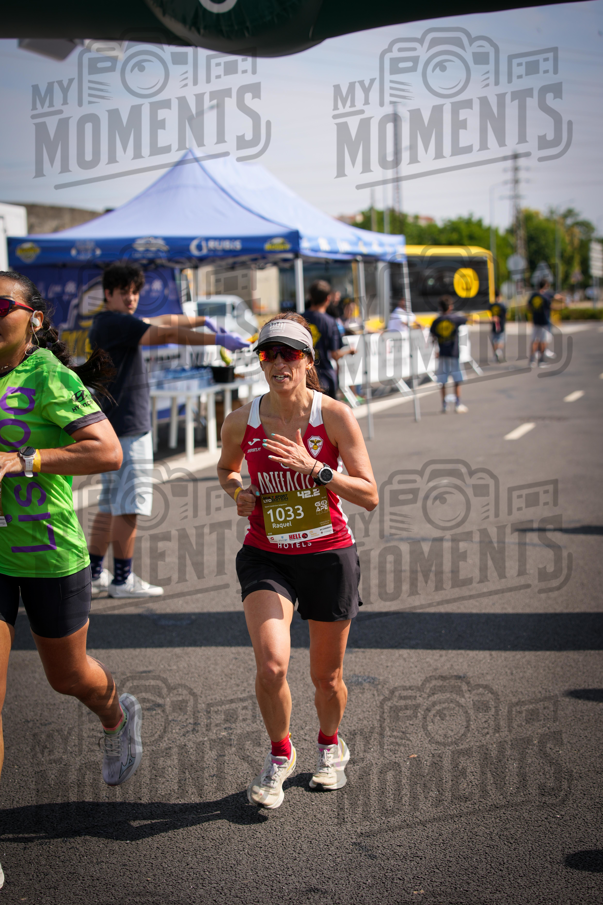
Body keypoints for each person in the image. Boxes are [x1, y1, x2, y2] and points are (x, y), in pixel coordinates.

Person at [0, 271, 145, 889]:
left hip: (47, 552)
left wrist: (24, 459)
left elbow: (107, 451)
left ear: (32, 317)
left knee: (69, 677)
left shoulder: (48, 378)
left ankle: (117, 714)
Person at [217, 313, 378, 809]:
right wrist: (238, 492)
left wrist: (318, 470)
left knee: (325, 679)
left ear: (307, 360)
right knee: (271, 666)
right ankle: (280, 753)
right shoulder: (240, 420)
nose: (279, 363)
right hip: (268, 555)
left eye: (290, 353)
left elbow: (369, 494)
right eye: (269, 354)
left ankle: (331, 745)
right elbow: (226, 469)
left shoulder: (333, 416)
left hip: (328, 554)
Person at [87, 261, 249, 599]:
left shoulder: (108, 322)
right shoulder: (117, 323)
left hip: (115, 425)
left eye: (135, 292)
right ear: (108, 294)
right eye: (124, 293)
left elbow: (163, 321)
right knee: (128, 505)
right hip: (129, 426)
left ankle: (94, 572)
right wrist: (216, 337)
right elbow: (167, 333)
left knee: (110, 503)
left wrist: (203, 319)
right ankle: (122, 580)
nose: (131, 298)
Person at [303, 280, 356, 399]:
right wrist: (349, 351)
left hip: (304, 378)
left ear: (310, 297)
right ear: (328, 299)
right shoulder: (331, 322)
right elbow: (335, 354)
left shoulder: (299, 319)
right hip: (325, 378)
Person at [430, 296, 473, 414]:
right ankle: (458, 403)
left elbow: (433, 337)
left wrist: (436, 349)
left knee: (442, 380)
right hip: (453, 354)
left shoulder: (436, 321)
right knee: (457, 380)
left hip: (442, 354)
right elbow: (468, 319)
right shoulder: (454, 318)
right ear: (450, 307)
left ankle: (444, 405)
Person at [527, 278, 562, 367]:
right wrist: (560, 307)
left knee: (534, 340)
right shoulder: (546, 296)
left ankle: (532, 360)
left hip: (536, 320)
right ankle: (541, 360)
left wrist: (535, 311)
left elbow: (528, 306)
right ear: (546, 286)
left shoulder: (534, 295)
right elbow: (551, 306)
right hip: (544, 321)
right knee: (543, 341)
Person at [489, 289, 507, 362]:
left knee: (494, 340)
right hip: (501, 324)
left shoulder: (491, 305)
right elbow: (506, 314)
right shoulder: (502, 305)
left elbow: (489, 314)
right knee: (501, 339)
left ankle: (495, 354)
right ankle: (498, 350)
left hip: (493, 325)